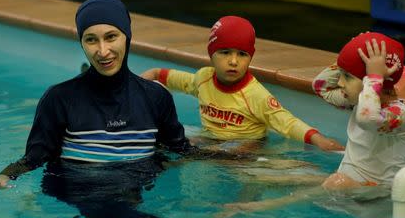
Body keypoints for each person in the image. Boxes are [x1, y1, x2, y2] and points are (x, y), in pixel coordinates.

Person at [0, 0, 193, 218]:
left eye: (111, 37)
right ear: (81, 43)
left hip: (133, 191)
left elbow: (178, 150)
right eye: (91, 40)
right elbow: (36, 156)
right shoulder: (60, 98)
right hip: (75, 192)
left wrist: (238, 160)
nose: (103, 51)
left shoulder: (155, 97)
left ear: (127, 36)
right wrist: (7, 175)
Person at [215, 32, 405, 218]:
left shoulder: (401, 116)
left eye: (346, 76)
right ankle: (242, 202)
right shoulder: (360, 102)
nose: (339, 83)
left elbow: (369, 119)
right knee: (267, 176)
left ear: (378, 81)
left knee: (335, 182)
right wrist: (353, 53)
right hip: (350, 181)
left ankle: (263, 207)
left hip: (379, 192)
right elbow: (320, 86)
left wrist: (373, 77)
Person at [141, 15, 344, 156]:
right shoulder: (203, 78)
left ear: (250, 58)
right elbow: (172, 78)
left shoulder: (255, 95)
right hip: (212, 143)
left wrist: (319, 140)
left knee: (225, 152)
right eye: (225, 52)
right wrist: (149, 76)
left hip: (246, 151)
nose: (233, 61)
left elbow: (286, 122)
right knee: (164, 143)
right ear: (211, 54)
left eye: (242, 54)